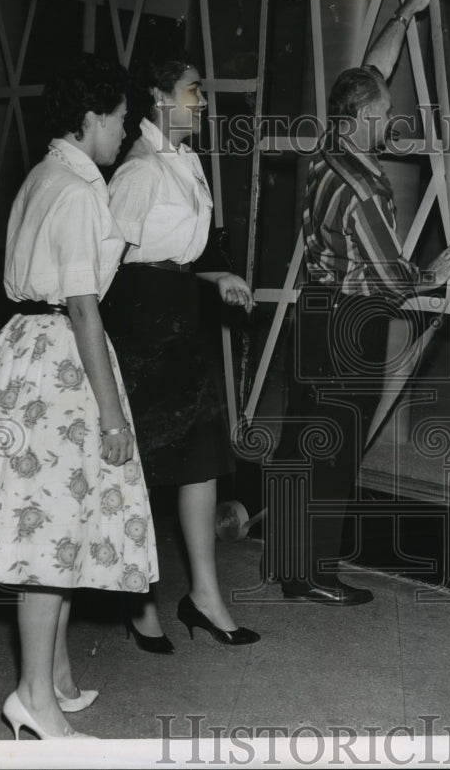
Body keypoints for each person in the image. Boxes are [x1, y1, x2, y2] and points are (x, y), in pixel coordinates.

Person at [0, 53, 157, 738]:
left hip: (25, 353)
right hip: (59, 362)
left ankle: (55, 676)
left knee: (55, 524)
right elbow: (86, 309)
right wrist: (114, 415)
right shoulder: (76, 190)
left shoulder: (47, 173)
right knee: (49, 539)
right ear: (92, 116)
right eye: (122, 118)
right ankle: (33, 695)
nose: (125, 131)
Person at [264, 0, 450, 605]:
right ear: (364, 118)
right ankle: (319, 576)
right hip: (354, 320)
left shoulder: (326, 150)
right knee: (338, 445)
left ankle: (288, 564)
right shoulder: (367, 187)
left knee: (304, 438)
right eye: (382, 115)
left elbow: (371, 70)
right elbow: (387, 273)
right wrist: (433, 274)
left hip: (314, 311)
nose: (388, 122)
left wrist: (404, 16)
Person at [104, 53, 258, 653]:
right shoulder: (138, 172)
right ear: (159, 97)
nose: (202, 101)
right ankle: (139, 602)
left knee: (200, 462)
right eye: (193, 90)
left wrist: (211, 279)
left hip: (181, 320)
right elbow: (111, 269)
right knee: (141, 471)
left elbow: (176, 260)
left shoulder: (185, 161)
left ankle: (205, 597)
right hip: (141, 328)